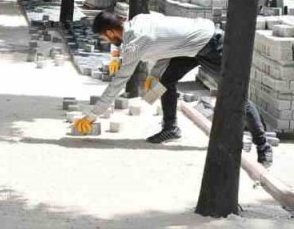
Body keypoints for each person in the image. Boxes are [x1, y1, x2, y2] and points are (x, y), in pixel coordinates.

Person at [73, 10, 274, 167]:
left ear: (110, 32)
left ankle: (263, 146)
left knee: (235, 95)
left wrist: (92, 116)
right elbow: (165, 44)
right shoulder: (141, 19)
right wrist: (122, 57)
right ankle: (171, 128)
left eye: (106, 38)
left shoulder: (135, 44)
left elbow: (118, 82)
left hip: (211, 45)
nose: (108, 42)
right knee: (163, 83)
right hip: (188, 46)